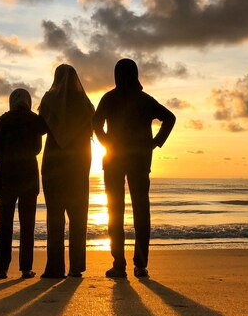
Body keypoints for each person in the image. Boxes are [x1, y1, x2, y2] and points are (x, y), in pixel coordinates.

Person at [94, 59, 176, 279]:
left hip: (114, 160)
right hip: (138, 160)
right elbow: (170, 118)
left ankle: (119, 265)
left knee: (115, 211)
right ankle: (140, 265)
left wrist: (107, 142)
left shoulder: (110, 98)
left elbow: (95, 124)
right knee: (141, 211)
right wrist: (155, 142)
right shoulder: (143, 100)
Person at [39, 64, 95, 278]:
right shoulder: (84, 101)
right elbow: (94, 127)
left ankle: (55, 268)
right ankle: (76, 267)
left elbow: (41, 127)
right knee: (79, 217)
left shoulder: (49, 99)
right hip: (79, 164)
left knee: (55, 217)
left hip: (54, 163)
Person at [0, 88, 46, 279]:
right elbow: (37, 148)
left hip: (7, 177)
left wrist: (4, 159)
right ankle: (26, 268)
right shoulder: (34, 121)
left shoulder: (1, 121)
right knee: (27, 224)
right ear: (28, 101)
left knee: (5, 224)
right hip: (28, 176)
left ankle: (2, 268)